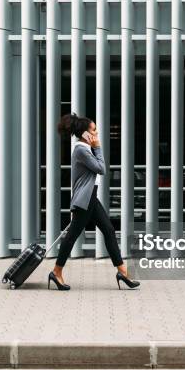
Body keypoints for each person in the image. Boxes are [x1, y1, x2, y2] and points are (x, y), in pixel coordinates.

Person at [49, 112, 140, 291]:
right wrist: (97, 147)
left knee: (108, 230)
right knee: (73, 236)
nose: (97, 134)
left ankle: (122, 271)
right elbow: (101, 169)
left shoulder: (84, 149)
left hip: (90, 197)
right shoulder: (82, 149)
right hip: (85, 199)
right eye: (94, 130)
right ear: (85, 133)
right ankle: (56, 272)